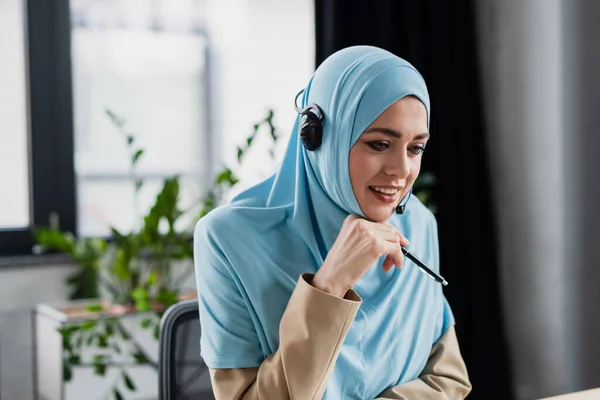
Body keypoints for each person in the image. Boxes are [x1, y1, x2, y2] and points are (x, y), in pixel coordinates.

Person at [194, 45, 471, 399]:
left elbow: (448, 380)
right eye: (379, 144)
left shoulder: (417, 225)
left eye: (415, 148)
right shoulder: (227, 239)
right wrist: (329, 285)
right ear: (318, 138)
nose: (401, 171)